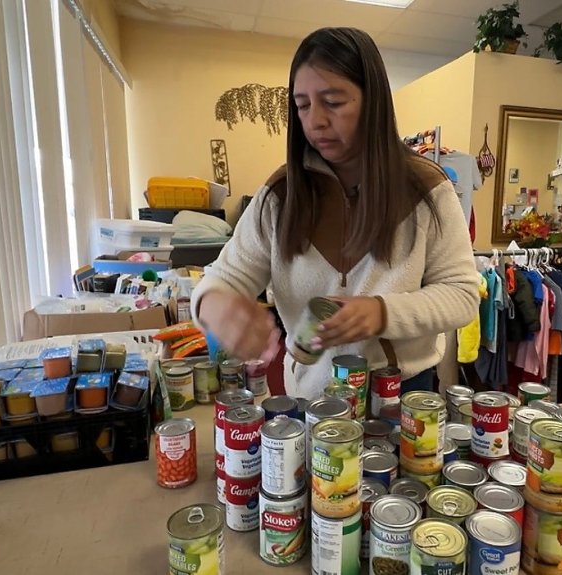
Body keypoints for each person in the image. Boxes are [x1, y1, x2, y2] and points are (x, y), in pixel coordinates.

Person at [193, 27, 478, 399]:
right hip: (310, 396)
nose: (315, 121)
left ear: (373, 101)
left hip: (402, 395)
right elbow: (222, 278)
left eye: (333, 102)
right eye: (303, 105)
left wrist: (382, 313)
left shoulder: (427, 189)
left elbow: (462, 296)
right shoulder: (280, 195)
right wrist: (217, 305)